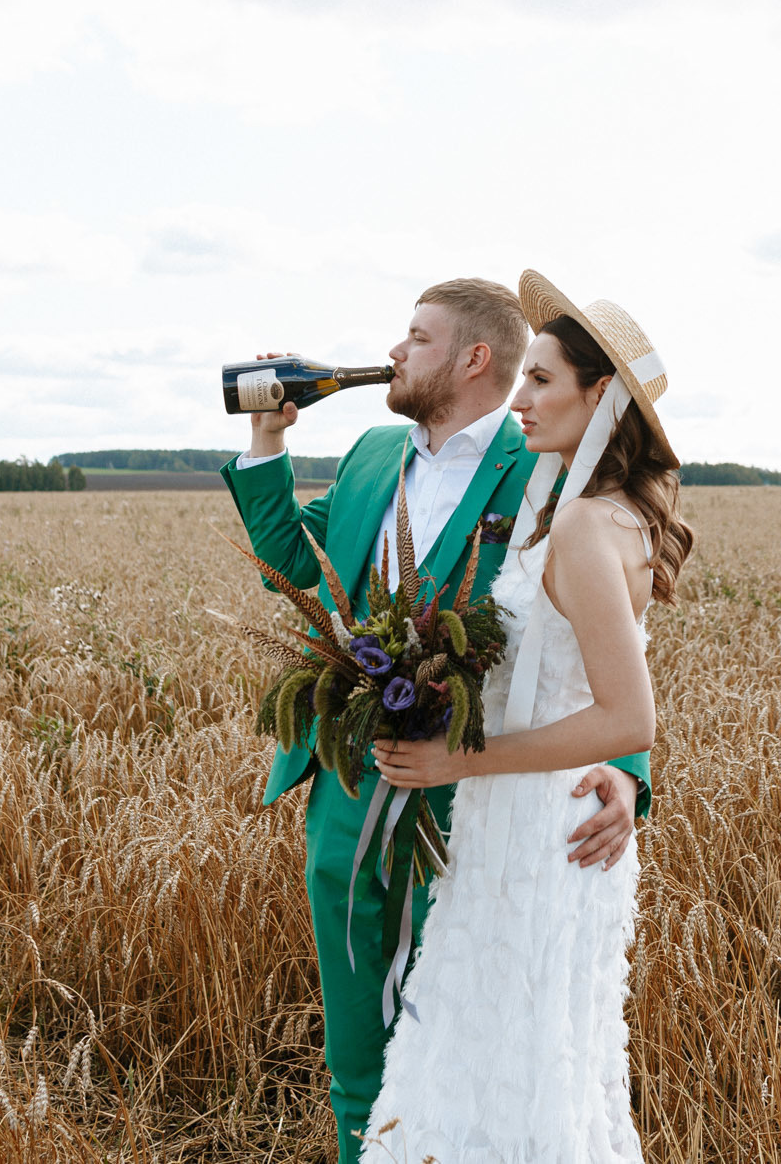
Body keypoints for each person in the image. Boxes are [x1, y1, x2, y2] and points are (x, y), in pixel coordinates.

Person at [220, 277, 655, 1164]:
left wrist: (628, 769)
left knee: (447, 1044)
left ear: (472, 358)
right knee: (354, 1047)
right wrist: (267, 434)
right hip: (345, 778)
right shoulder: (374, 454)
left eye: (414, 337)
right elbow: (294, 565)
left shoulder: (539, 467)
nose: (393, 351)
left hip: (470, 807)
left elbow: (605, 639)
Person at [365, 271, 694, 1162]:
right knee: (533, 1053)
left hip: (538, 831)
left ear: (601, 396)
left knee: (509, 1049)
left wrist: (459, 762)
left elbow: (630, 717)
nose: (520, 396)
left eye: (542, 379)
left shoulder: (586, 527)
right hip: (539, 815)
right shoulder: (599, 515)